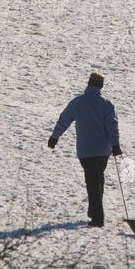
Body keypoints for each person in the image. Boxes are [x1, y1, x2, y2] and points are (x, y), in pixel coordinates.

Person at [47, 72, 121, 227]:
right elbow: (113, 126)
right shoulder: (107, 104)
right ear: (101, 86)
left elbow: (64, 120)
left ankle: (97, 218)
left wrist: (55, 137)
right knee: (98, 179)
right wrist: (115, 145)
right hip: (103, 150)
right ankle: (94, 210)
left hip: (86, 150)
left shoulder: (78, 102)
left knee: (93, 181)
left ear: (88, 83)